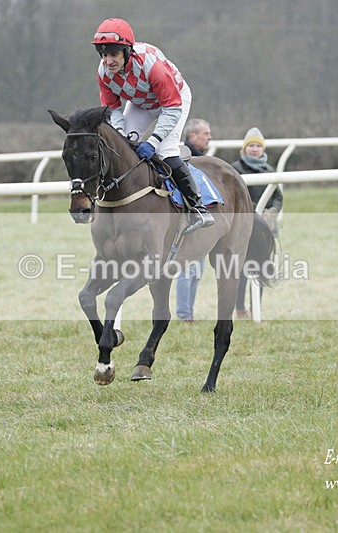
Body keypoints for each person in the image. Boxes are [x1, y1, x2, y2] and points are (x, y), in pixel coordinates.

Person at [92, 17, 213, 234]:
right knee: (121, 148)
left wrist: (154, 140)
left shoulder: (150, 65)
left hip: (174, 101)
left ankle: (197, 207)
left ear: (127, 51)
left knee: (165, 150)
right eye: (104, 54)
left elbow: (172, 107)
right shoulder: (103, 73)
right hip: (141, 103)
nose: (108, 61)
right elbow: (113, 109)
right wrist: (121, 135)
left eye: (113, 54)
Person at [231, 127, 283, 319]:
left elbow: (278, 196)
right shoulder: (236, 169)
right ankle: (240, 308)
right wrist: (256, 211)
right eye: (251, 145)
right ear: (245, 148)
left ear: (263, 149)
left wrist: (272, 212)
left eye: (257, 146)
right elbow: (236, 195)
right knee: (242, 272)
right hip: (245, 227)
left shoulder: (269, 170)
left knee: (261, 269)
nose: (254, 149)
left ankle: (256, 309)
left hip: (266, 228)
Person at [175, 118, 212, 322]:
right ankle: (184, 316)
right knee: (187, 270)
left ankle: (188, 314)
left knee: (197, 271)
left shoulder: (203, 160)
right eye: (205, 134)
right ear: (192, 136)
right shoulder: (181, 159)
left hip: (201, 222)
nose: (209, 137)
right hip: (185, 223)